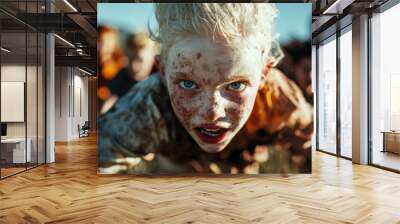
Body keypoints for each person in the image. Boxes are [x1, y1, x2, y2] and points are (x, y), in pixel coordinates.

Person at [98, 3, 310, 174]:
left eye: (235, 85)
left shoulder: (279, 102)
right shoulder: (148, 107)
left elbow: (311, 145)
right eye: (188, 84)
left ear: (264, 74)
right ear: (163, 71)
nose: (212, 112)